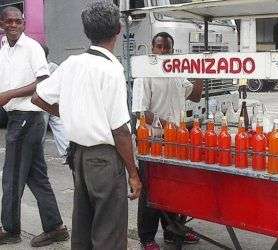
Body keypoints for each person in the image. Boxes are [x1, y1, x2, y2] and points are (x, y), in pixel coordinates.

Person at [31, 1, 142, 249]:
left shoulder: (72, 63)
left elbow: (38, 97)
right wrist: (133, 173)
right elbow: (120, 130)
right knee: (109, 231)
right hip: (104, 159)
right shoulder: (111, 69)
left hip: (78, 155)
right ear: (119, 29)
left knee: (83, 223)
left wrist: (67, 112)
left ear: (86, 31)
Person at [0, 6, 69, 247]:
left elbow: (43, 81)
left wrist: (9, 94)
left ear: (24, 23)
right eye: (8, 22)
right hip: (17, 116)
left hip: (28, 117)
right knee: (35, 176)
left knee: (11, 176)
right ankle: (55, 227)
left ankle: (10, 229)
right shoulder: (4, 50)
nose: (13, 25)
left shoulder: (31, 47)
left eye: (17, 21)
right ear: (2, 24)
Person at [132, 32, 203, 250]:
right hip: (152, 140)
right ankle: (146, 238)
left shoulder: (177, 73)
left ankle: (173, 230)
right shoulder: (145, 75)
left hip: (176, 142)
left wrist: (199, 70)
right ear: (152, 48)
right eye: (159, 47)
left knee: (173, 188)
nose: (163, 52)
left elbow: (196, 95)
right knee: (151, 191)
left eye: (167, 48)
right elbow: (140, 112)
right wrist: (169, 126)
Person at [41, 44, 69, 159]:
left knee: (40, 132)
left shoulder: (36, 69)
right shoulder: (54, 67)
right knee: (60, 128)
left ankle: (37, 156)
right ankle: (67, 153)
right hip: (55, 102)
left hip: (41, 104)